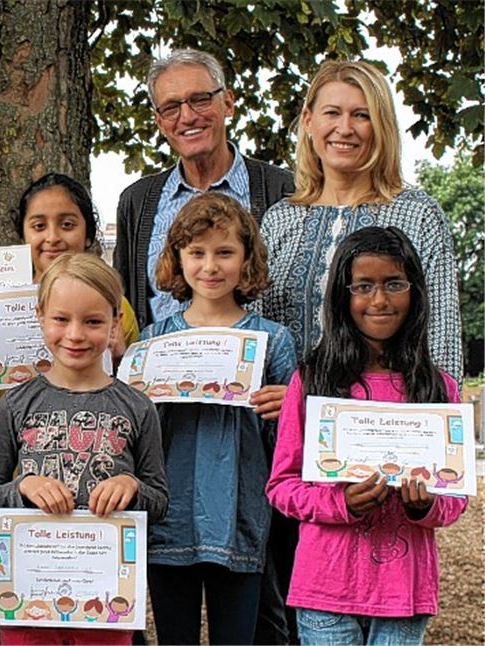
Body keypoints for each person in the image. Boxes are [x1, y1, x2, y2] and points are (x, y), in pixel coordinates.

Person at [265, 226, 467, 645]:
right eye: (364, 286)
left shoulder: (438, 388)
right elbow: (282, 487)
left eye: (394, 284)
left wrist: (424, 506)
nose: (379, 300)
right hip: (325, 587)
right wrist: (342, 502)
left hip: (404, 594)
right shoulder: (313, 381)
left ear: (415, 291)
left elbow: (455, 498)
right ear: (343, 296)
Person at [0, 252, 169, 646]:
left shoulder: (137, 407)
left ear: (116, 323)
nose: (76, 335)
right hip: (28, 601)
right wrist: (22, 487)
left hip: (106, 603)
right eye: (61, 319)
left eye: (93, 321)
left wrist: (131, 486)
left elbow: (160, 500)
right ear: (40, 315)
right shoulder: (16, 404)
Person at [139, 193, 297, 645]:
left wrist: (290, 408)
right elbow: (136, 431)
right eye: (197, 252)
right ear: (178, 258)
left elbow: (293, 444)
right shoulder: (154, 340)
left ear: (247, 260)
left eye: (225, 252)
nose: (210, 266)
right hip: (170, 518)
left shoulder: (273, 341)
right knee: (176, 638)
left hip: (240, 518)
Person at [260, 59, 463, 383]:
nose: (345, 128)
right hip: (283, 427)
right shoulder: (279, 221)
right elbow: (259, 332)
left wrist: (438, 415)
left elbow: (440, 340)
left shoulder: (418, 215)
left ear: (381, 126)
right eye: (332, 113)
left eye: (361, 115)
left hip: (381, 422)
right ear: (309, 121)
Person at [0, 173, 140, 455]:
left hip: (93, 466)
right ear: (23, 234)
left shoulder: (113, 305)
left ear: (88, 234)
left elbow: (139, 407)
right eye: (38, 225)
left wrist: (121, 359)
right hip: (13, 476)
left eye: (67, 225)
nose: (53, 237)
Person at [114, 48, 294, 332]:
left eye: (200, 100)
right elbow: (121, 302)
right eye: (171, 107)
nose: (187, 116)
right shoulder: (136, 202)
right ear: (160, 122)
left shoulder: (283, 190)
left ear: (228, 103)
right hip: (159, 373)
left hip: (261, 372)